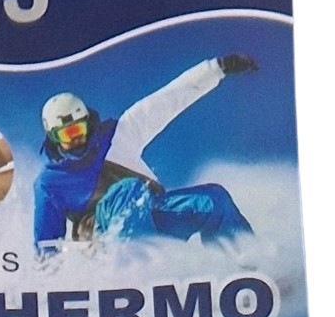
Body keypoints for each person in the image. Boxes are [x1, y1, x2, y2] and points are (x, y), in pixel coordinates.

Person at [34, 54, 259, 256]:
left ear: (87, 123)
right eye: (66, 134)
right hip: (100, 242)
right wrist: (48, 282)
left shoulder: (118, 135)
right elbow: (46, 244)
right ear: (53, 137)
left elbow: (167, 100)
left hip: (152, 216)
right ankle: (131, 268)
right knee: (128, 189)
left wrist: (217, 68)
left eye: (78, 129)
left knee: (212, 200)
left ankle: (249, 264)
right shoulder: (50, 182)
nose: (75, 139)